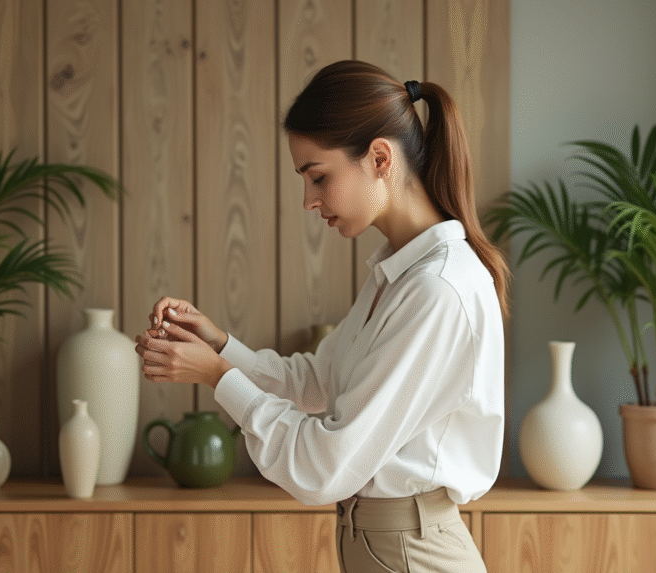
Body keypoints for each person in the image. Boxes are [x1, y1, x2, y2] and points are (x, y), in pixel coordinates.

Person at [134, 60, 509, 573]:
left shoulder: (437, 289)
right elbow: (319, 381)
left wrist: (218, 376)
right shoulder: (400, 275)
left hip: (412, 552)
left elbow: (327, 466)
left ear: (380, 158)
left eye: (318, 177)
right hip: (385, 545)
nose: (309, 201)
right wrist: (220, 344)